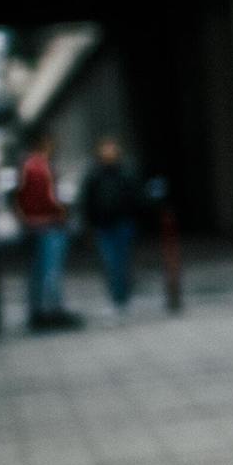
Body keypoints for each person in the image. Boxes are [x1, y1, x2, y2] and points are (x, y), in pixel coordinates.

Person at [12, 133, 75, 333]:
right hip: (49, 224)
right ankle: (53, 311)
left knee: (37, 271)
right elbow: (48, 197)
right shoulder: (40, 166)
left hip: (33, 225)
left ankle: (37, 312)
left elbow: (20, 197)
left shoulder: (26, 165)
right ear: (45, 144)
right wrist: (62, 212)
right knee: (51, 269)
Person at [78, 138, 142, 312]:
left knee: (123, 261)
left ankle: (124, 296)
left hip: (123, 223)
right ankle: (116, 297)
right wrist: (89, 226)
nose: (108, 153)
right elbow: (87, 202)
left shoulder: (125, 172)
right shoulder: (94, 175)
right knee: (110, 263)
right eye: (105, 150)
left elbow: (135, 197)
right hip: (103, 225)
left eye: (111, 150)